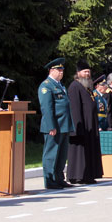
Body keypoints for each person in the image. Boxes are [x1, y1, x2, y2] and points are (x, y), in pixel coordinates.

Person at [39, 58, 75, 189]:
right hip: (54, 126)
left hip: (64, 125)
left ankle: (59, 178)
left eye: (62, 70)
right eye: (59, 70)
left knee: (61, 155)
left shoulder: (60, 85)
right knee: (51, 154)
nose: (61, 73)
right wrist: (51, 126)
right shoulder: (46, 86)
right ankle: (50, 180)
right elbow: (47, 108)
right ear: (52, 70)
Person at [67, 59, 103, 184]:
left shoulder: (86, 87)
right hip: (81, 125)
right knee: (79, 152)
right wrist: (78, 127)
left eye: (88, 72)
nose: (87, 74)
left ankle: (88, 175)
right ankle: (77, 176)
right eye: (84, 72)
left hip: (90, 125)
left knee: (88, 151)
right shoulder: (75, 86)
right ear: (78, 73)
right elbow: (75, 108)